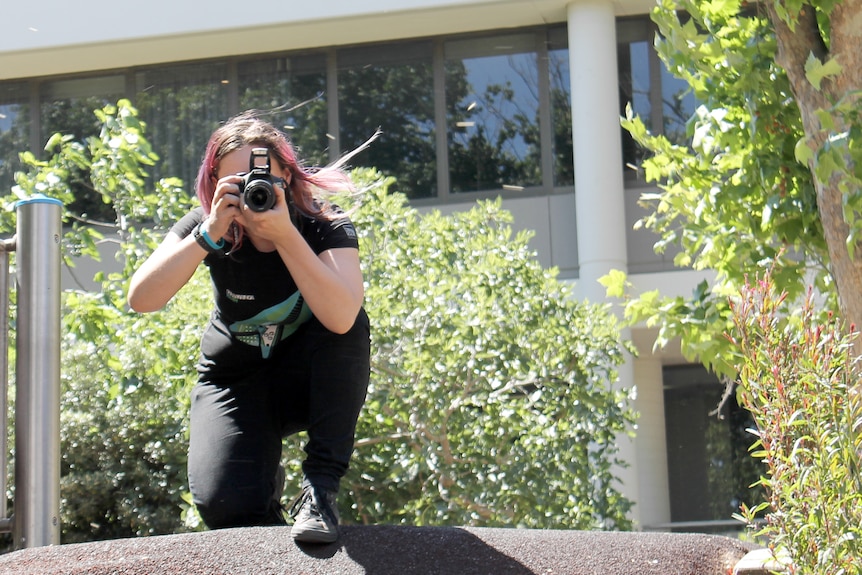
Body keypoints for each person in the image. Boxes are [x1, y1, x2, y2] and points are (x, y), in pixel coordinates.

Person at [127, 112, 370, 544]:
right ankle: (270, 530)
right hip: (236, 380)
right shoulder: (204, 225)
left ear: (287, 180)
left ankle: (320, 489)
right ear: (214, 183)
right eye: (235, 182)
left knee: (349, 314)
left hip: (310, 378)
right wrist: (209, 233)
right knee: (226, 505)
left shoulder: (323, 223)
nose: (250, 191)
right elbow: (142, 299)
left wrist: (286, 236)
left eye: (261, 179)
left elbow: (341, 317)